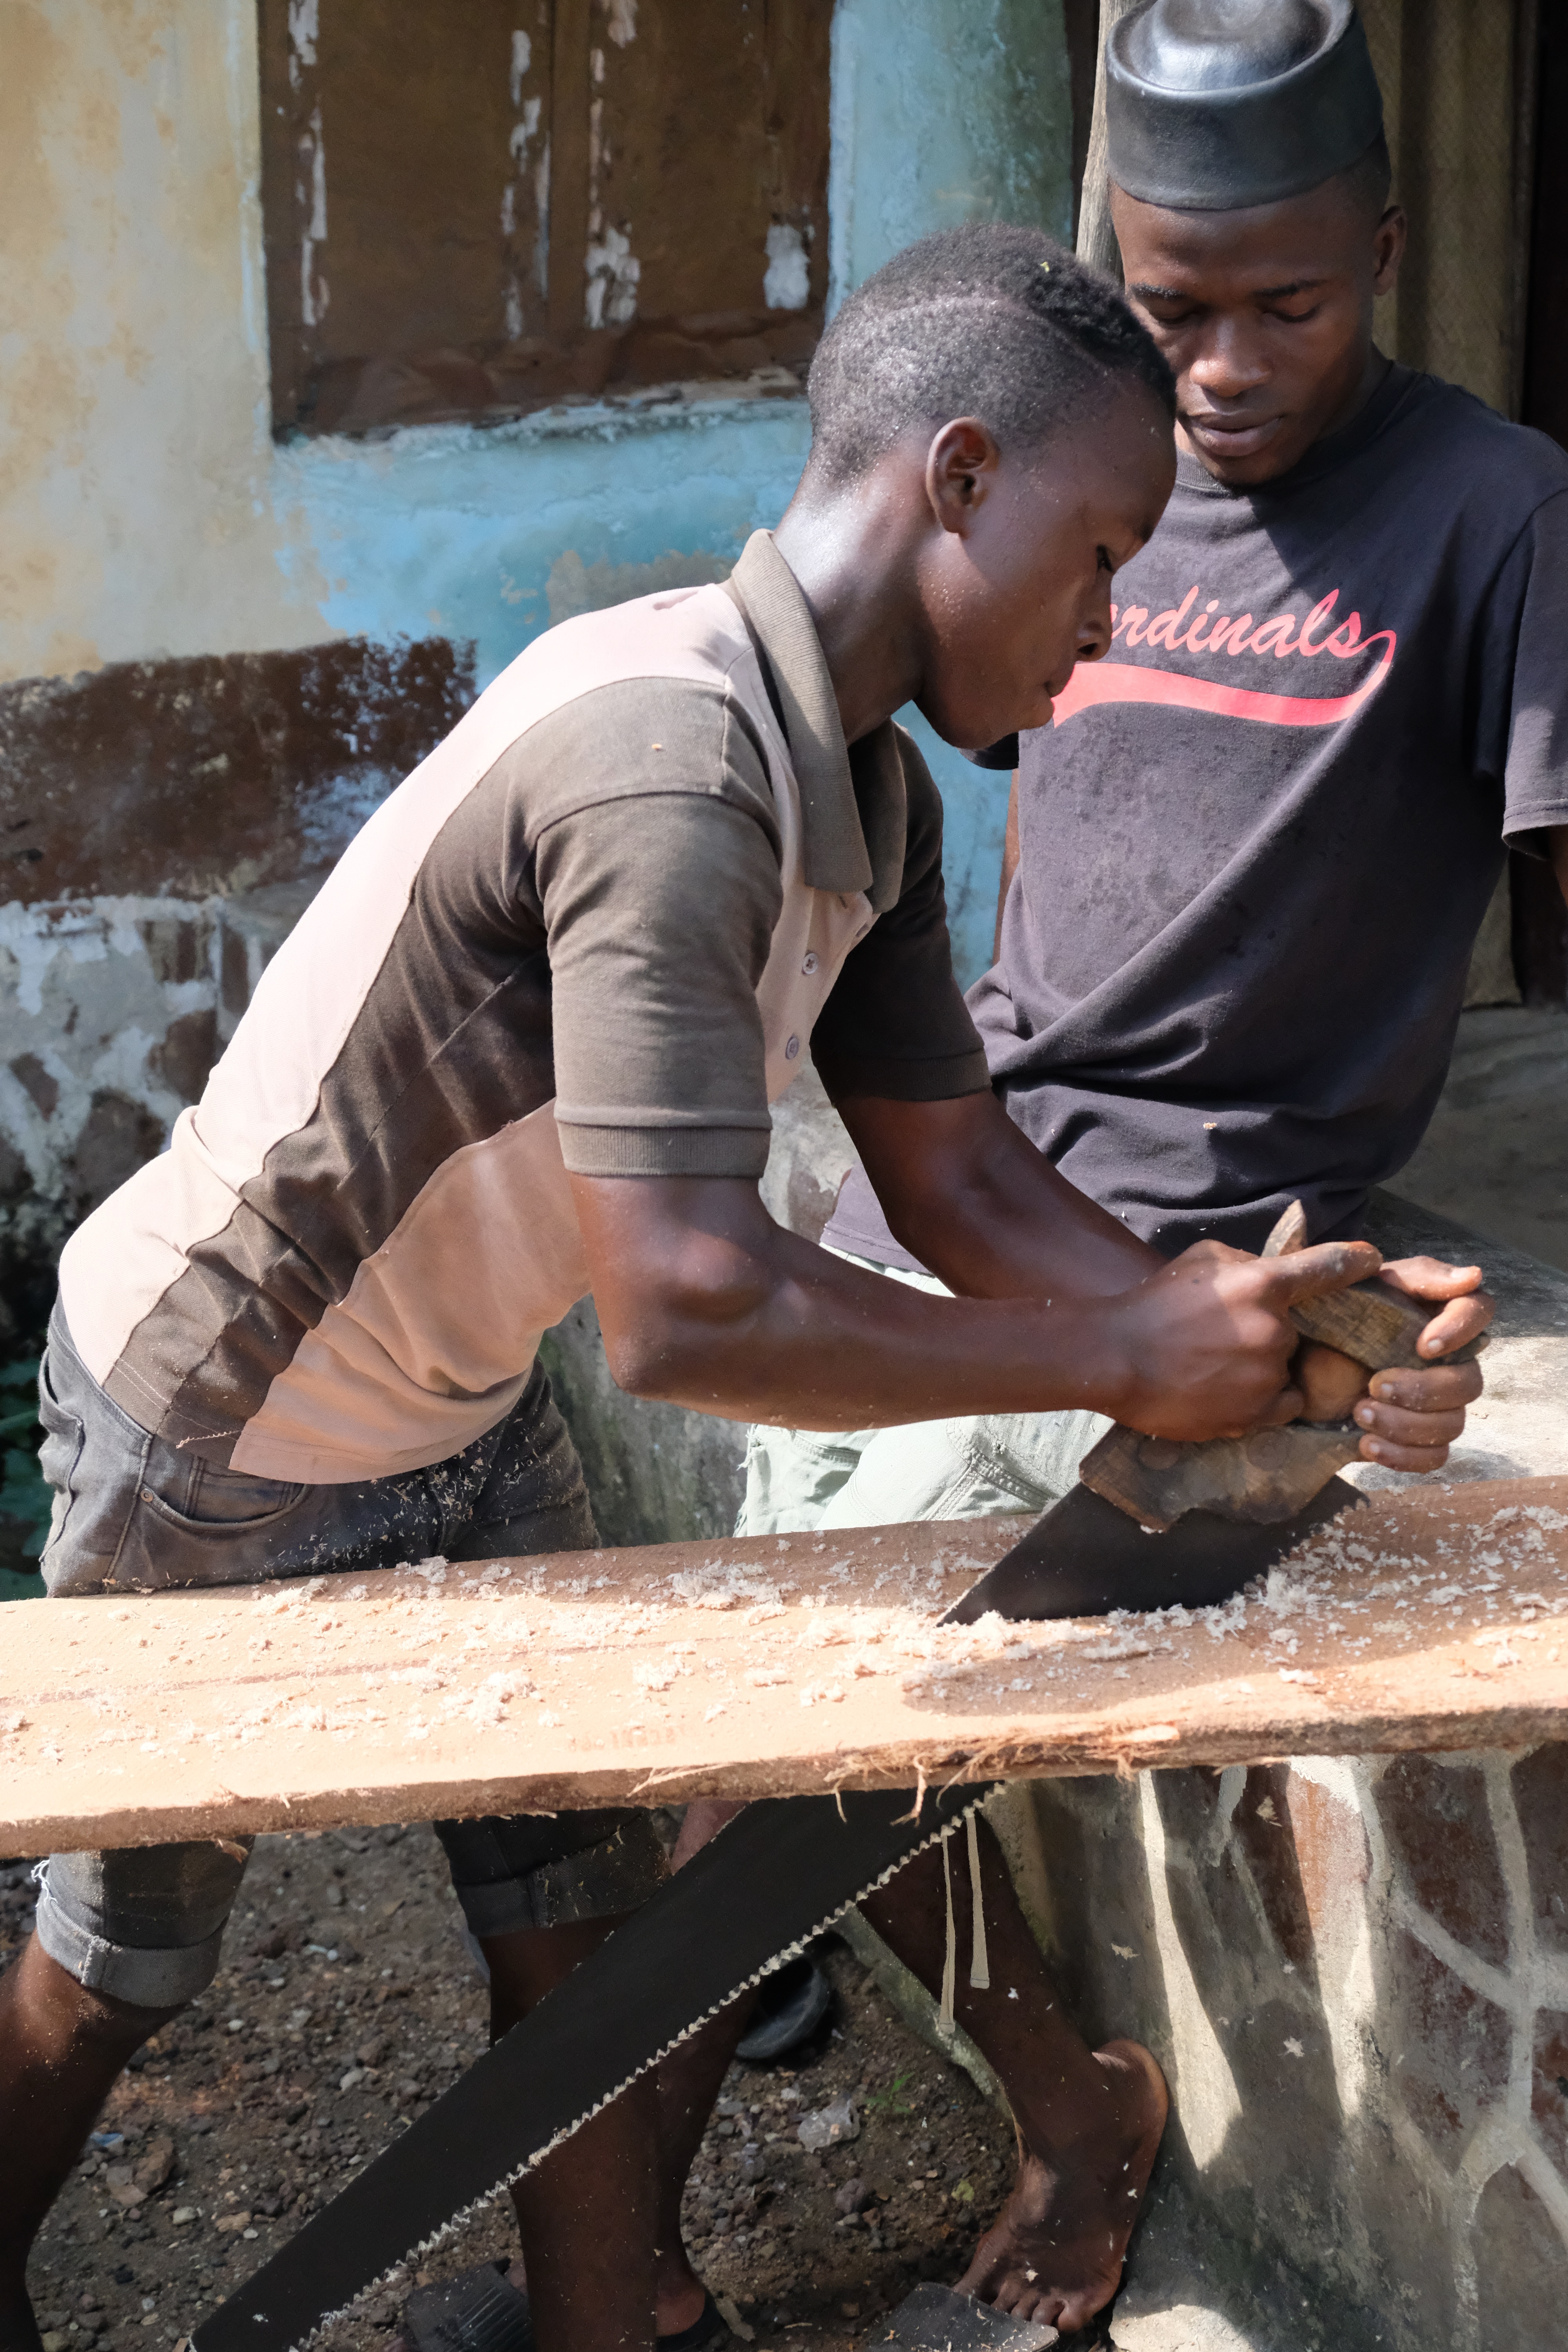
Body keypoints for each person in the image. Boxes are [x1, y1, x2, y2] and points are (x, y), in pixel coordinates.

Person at [1, 222, 1482, 2352]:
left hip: (453, 1403)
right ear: (959, 479)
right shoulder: (672, 759)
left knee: (586, 1938)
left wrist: (1263, 1348)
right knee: (122, 1963)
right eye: (1099, 555)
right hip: (220, 1408)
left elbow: (961, 1176)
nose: (1110, 622)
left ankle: (612, 2324)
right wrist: (1127, 1350)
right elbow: (687, 1305)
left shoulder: (860, 785)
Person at [727, 0, 1555, 2330]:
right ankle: (1013, 2076)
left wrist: (1349, 1319)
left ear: (1386, 251)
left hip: (1204, 1229)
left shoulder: (1490, 514)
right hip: (958, 1173)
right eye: (1175, 304)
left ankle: (992, 2102)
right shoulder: (1080, 466)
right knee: (756, 1730)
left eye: (1286, 305)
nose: (1222, 368)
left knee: (778, 1762)